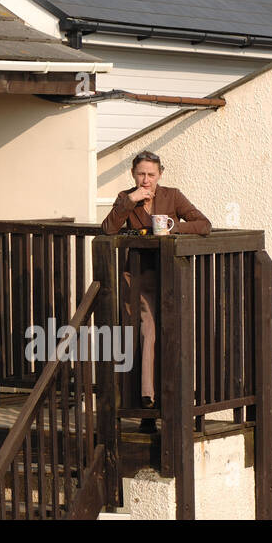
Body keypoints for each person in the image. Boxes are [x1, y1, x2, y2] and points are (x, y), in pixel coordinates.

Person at [100, 150, 210, 432]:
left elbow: (203, 224)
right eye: (140, 174)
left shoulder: (172, 195)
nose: (145, 179)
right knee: (146, 334)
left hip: (169, 277)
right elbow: (108, 229)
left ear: (160, 174)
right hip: (137, 279)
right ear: (133, 175)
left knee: (169, 334)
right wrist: (129, 203)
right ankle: (147, 402)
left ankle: (168, 401)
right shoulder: (126, 197)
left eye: (151, 174)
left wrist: (170, 229)